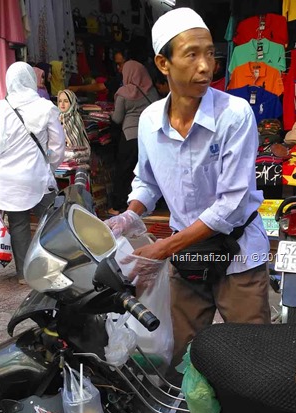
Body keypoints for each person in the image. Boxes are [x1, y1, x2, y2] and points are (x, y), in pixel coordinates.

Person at [105, 7, 271, 369]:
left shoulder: (235, 114)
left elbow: (230, 204)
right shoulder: (149, 122)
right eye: (192, 54)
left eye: (210, 53)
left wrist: (163, 248)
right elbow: (146, 181)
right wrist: (131, 214)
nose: (205, 66)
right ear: (164, 63)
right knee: (186, 357)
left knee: (252, 358)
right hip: (190, 256)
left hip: (236, 253)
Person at [0, 62, 66, 284]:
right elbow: (58, 146)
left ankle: (23, 274)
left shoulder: (0, 108)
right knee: (50, 222)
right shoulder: (46, 107)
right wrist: (49, 167)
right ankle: (53, 267)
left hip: (8, 179)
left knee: (19, 225)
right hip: (36, 177)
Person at [108, 60, 159, 215]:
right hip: (148, 137)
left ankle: (118, 207)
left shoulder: (124, 93)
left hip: (129, 136)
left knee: (124, 171)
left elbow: (117, 119)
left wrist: (109, 114)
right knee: (147, 172)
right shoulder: (151, 91)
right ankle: (150, 206)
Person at [57, 89, 91, 164]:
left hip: (75, 159)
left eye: (66, 101)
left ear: (72, 103)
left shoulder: (75, 118)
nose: (62, 104)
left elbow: (77, 142)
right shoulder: (55, 118)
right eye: (60, 101)